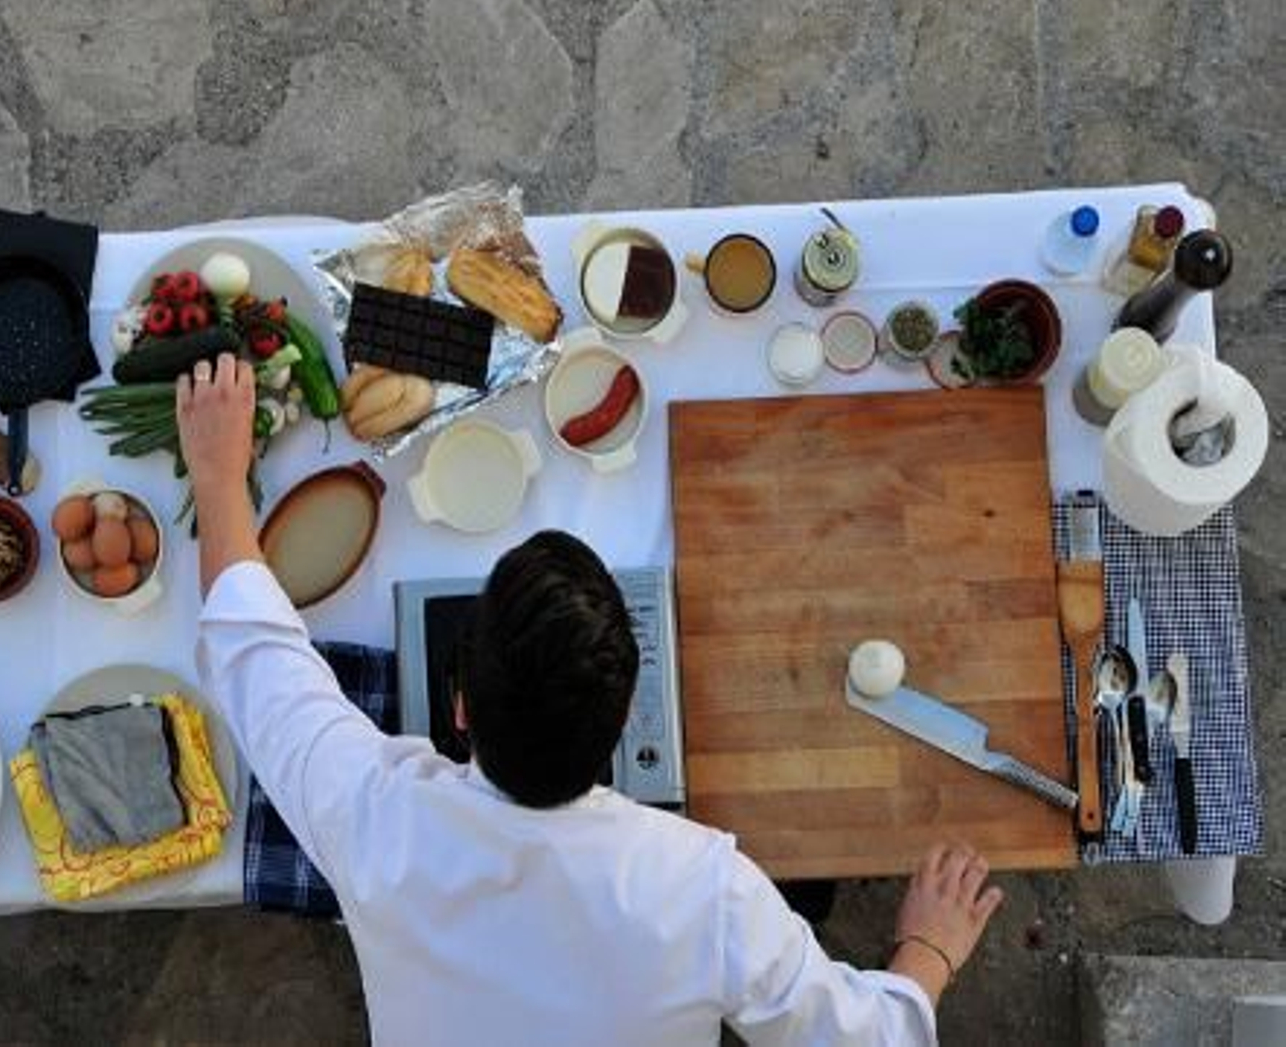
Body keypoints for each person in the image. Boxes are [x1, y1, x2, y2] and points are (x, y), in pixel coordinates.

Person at [179, 354, 1004, 1046]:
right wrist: (927, 949)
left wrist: (217, 476)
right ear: (625, 718)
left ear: (460, 707)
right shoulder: (707, 890)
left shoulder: (375, 818)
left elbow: (255, 652)